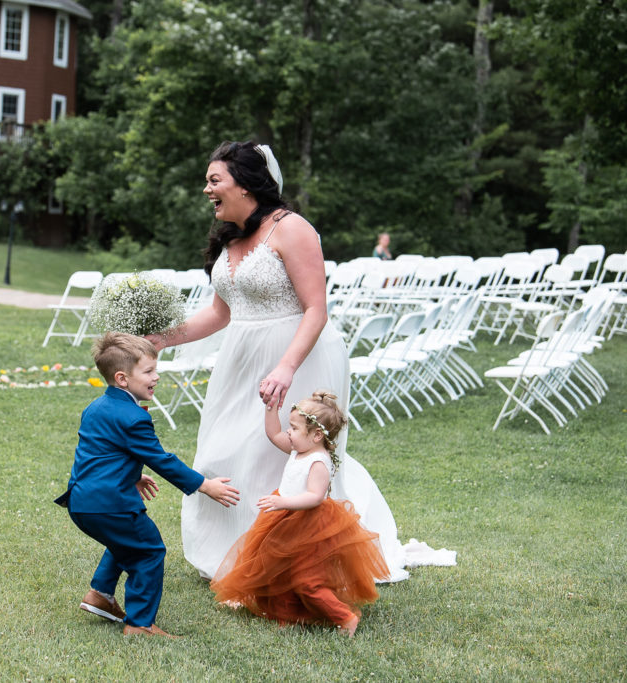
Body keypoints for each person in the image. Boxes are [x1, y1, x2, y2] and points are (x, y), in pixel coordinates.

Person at [147, 140, 413, 582]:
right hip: (241, 357)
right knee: (223, 451)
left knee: (282, 456)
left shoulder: (291, 229)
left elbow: (316, 308)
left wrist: (286, 367)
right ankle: (231, 553)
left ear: (246, 184)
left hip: (298, 354)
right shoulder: (229, 237)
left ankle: (285, 561)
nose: (207, 190)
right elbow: (219, 313)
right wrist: (159, 340)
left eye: (215, 180)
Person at [54, 332, 241, 638]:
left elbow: (102, 452)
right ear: (122, 378)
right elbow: (161, 460)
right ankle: (140, 624)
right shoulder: (133, 417)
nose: (157, 376)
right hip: (110, 504)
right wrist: (204, 485)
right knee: (149, 550)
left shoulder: (96, 407)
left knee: (126, 541)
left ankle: (100, 594)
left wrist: (131, 474)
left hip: (82, 501)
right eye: (149, 371)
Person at [210, 392, 390, 637]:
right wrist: (270, 408)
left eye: (293, 428)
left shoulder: (318, 460)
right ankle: (275, 607)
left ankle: (344, 616)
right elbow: (273, 435)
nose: (289, 433)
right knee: (274, 565)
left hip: (310, 525)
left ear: (317, 435)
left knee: (308, 580)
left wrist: (283, 501)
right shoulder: (299, 449)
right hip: (285, 517)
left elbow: (315, 497)